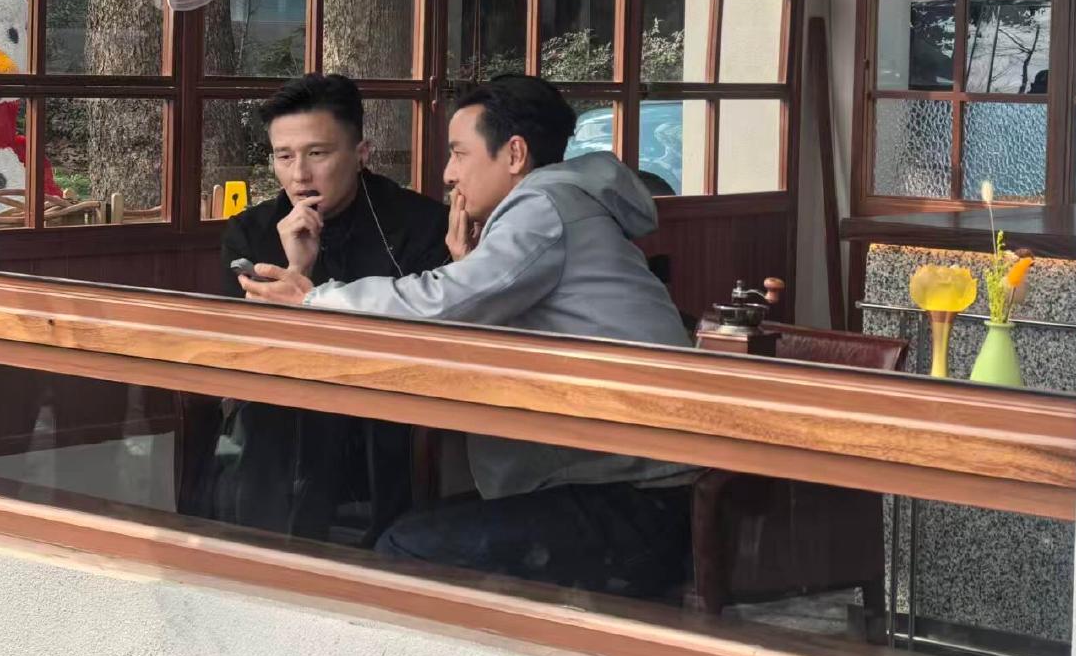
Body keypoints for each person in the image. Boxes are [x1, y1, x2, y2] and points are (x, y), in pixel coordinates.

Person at [241, 74, 696, 598]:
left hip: (635, 500)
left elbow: (441, 302)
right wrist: (468, 266)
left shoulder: (543, 207)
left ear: (514, 154)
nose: (448, 173)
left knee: (401, 549)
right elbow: (472, 307)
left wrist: (315, 299)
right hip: (630, 481)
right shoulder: (561, 204)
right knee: (406, 534)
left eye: (459, 153)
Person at [189, 73, 450, 543]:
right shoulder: (251, 231)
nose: (299, 175)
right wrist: (296, 267)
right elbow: (243, 349)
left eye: (317, 154)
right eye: (284, 156)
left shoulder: (420, 223)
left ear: (361, 153)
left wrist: (311, 293)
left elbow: (427, 336)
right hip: (278, 420)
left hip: (389, 413)